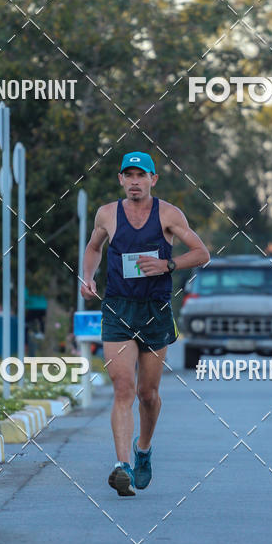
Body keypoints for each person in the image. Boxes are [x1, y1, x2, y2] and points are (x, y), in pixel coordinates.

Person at [80, 152, 210, 497]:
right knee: (123, 388)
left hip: (155, 309)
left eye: (142, 175)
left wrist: (168, 265)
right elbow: (93, 248)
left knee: (147, 394)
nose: (135, 181)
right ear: (120, 179)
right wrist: (88, 278)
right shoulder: (107, 214)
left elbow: (202, 253)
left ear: (154, 179)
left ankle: (143, 449)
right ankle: (122, 465)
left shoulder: (168, 214)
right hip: (118, 308)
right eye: (129, 175)